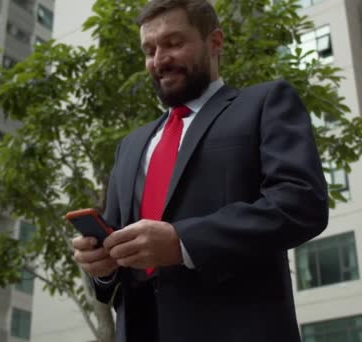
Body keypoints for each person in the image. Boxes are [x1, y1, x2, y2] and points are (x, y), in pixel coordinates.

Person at [72, 0, 329, 341]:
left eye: (174, 43)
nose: (160, 60)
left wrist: (183, 242)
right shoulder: (130, 146)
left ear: (215, 42)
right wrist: (102, 266)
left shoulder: (265, 103)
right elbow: (119, 261)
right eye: (149, 50)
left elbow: (301, 204)